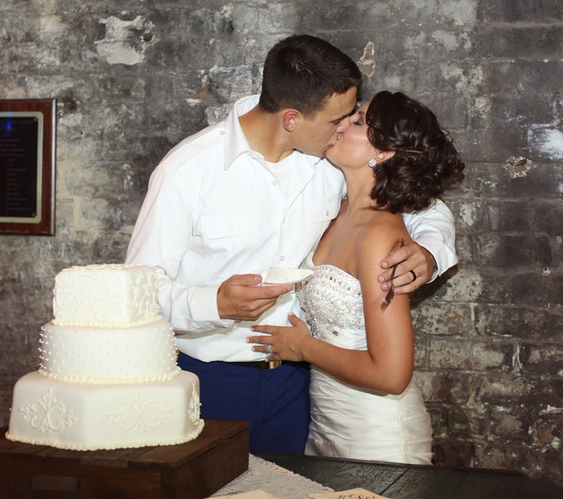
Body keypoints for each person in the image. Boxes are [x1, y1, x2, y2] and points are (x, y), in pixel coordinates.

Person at [125, 35, 458, 455]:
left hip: (299, 385)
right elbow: (138, 290)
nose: (345, 126)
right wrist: (215, 305)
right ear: (292, 119)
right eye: (340, 118)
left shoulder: (330, 160)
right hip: (209, 380)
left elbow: (422, 205)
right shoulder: (187, 171)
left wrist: (430, 251)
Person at [248, 91, 465, 463]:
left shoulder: (381, 236)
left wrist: (302, 348)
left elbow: (392, 374)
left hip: (376, 433)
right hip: (325, 422)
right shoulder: (336, 210)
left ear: (383, 153)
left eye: (358, 121)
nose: (342, 125)